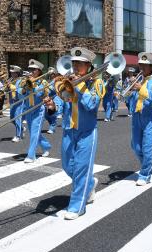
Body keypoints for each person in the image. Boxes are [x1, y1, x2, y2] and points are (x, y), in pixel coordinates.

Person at [48, 47, 104, 220]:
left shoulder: (97, 84)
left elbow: (92, 105)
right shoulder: (68, 82)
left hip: (87, 131)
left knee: (80, 168)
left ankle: (77, 207)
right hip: (68, 130)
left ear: (88, 66)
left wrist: (80, 86)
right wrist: (52, 106)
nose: (76, 66)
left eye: (80, 63)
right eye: (74, 63)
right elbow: (61, 101)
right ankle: (89, 184)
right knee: (67, 165)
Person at [130, 52, 152, 186]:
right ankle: (148, 167)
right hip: (136, 116)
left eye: (145, 65)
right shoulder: (138, 80)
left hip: (149, 117)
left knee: (147, 148)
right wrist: (127, 94)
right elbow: (132, 98)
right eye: (140, 65)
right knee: (136, 146)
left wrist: (141, 88)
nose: (142, 67)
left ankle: (145, 174)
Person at [18, 59, 52, 163]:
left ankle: (31, 155)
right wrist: (24, 88)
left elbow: (39, 95)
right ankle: (46, 146)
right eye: (30, 69)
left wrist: (34, 85)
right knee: (33, 132)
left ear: (39, 71)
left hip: (39, 109)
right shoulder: (25, 81)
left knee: (34, 133)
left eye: (34, 70)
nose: (31, 71)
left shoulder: (43, 82)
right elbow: (20, 95)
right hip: (28, 109)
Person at [7, 65, 25, 142]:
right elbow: (7, 91)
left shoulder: (21, 81)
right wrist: (7, 86)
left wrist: (11, 86)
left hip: (19, 101)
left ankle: (18, 136)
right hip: (12, 101)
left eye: (13, 73)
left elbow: (21, 90)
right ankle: (21, 128)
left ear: (17, 73)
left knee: (17, 119)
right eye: (11, 73)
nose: (11, 74)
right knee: (12, 119)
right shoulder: (11, 80)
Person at [44, 67, 63, 134]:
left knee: (52, 113)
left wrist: (48, 87)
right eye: (50, 74)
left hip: (55, 98)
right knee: (46, 114)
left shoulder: (58, 80)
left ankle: (52, 127)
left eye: (52, 74)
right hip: (48, 98)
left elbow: (57, 89)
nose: (51, 75)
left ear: (55, 74)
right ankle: (52, 124)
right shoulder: (49, 80)